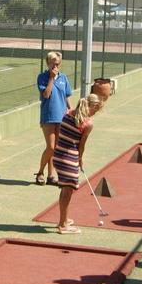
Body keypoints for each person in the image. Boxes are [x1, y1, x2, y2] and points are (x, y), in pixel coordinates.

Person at [53, 93, 104, 234]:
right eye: (96, 110)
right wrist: (80, 159)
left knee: (65, 189)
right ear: (92, 107)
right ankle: (63, 225)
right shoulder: (87, 123)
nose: (95, 114)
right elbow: (82, 145)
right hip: (69, 159)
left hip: (58, 155)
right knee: (67, 192)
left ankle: (63, 219)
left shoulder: (67, 113)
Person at [35, 51, 73, 186]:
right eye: (53, 63)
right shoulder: (42, 77)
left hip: (61, 117)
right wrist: (51, 78)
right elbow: (46, 94)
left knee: (56, 148)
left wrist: (71, 111)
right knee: (50, 147)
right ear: (48, 63)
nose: (55, 66)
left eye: (57, 63)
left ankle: (51, 176)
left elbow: (67, 96)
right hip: (48, 117)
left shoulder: (63, 78)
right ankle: (40, 172)